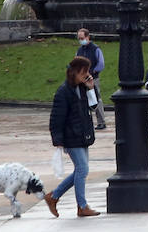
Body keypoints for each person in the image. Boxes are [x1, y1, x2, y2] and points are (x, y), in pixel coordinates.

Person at [45, 56, 101, 218]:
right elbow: (57, 117)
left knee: (80, 171)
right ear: (75, 72)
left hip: (83, 135)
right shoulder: (64, 91)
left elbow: (94, 106)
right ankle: (82, 206)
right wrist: (58, 140)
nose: (87, 74)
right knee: (82, 169)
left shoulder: (83, 88)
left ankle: (54, 196)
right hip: (71, 136)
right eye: (84, 71)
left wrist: (91, 88)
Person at [76, 28, 107, 130]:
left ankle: (101, 122)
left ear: (87, 37)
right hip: (82, 78)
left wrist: (93, 72)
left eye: (82, 38)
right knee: (83, 100)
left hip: (93, 77)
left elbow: (101, 64)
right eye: (79, 38)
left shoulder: (95, 49)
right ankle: (85, 122)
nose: (81, 40)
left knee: (96, 99)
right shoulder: (79, 50)